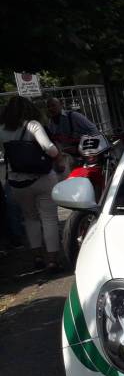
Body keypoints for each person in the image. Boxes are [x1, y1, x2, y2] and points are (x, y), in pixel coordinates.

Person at [1, 96, 64, 270]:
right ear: (29, 109)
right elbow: (49, 148)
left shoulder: (2, 130)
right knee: (49, 218)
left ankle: (37, 257)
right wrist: (58, 157)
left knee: (30, 219)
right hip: (42, 178)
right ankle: (52, 260)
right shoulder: (33, 125)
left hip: (17, 183)